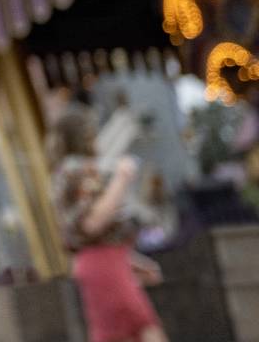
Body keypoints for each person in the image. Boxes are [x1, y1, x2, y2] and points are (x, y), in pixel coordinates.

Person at [53, 106, 169, 342]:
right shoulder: (76, 169)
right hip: (104, 264)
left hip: (103, 263)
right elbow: (92, 224)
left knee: (127, 333)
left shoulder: (68, 170)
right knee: (144, 328)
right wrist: (122, 176)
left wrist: (131, 263)